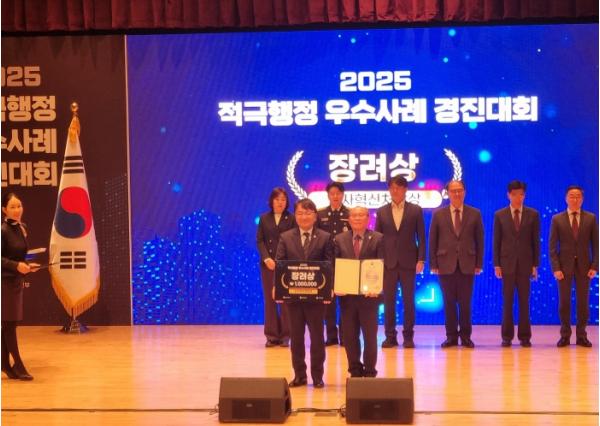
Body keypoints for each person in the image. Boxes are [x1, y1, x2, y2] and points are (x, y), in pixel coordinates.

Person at [275, 198, 333, 388]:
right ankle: (300, 375)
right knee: (296, 338)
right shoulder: (286, 237)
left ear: (315, 216)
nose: (304, 217)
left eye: (308, 213)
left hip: (316, 298)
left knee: (317, 338)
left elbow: (330, 265)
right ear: (295, 216)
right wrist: (277, 287)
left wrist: (328, 289)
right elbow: (280, 264)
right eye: (300, 213)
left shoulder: (325, 237)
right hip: (293, 297)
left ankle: (317, 376)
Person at [429, 180, 483, 349]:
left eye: (460, 190)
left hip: (468, 264)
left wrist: (479, 263)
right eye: (453, 191)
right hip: (445, 264)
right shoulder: (439, 214)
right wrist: (433, 263)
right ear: (448, 193)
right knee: (449, 302)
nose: (457, 194)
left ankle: (466, 336)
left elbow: (480, 241)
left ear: (464, 192)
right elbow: (433, 240)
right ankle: (451, 336)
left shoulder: (475, 213)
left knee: (465, 303)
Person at [375, 175, 425, 349]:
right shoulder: (381, 211)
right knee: (388, 301)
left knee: (408, 301)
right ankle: (390, 336)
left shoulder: (415, 210)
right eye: (392, 188)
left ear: (405, 190)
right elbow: (378, 238)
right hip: (388, 263)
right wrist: (378, 261)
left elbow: (421, 237)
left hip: (409, 262)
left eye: (398, 187)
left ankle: (408, 336)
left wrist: (421, 259)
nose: (395, 191)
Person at [334, 206, 384, 377]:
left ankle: (370, 371)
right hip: (347, 297)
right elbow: (334, 265)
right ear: (349, 219)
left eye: (361, 215)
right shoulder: (339, 239)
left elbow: (383, 266)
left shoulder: (378, 238)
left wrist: (378, 289)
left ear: (368, 218)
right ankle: (354, 370)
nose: (357, 218)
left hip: (369, 297)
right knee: (349, 336)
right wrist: (336, 285)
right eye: (354, 215)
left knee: (370, 337)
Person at [549, 185, 598, 348]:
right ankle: (565, 335)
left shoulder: (591, 218)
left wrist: (595, 266)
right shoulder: (557, 219)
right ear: (566, 198)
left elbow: (596, 245)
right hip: (563, 268)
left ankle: (582, 335)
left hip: (585, 268)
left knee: (583, 303)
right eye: (572, 196)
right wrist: (556, 268)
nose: (575, 199)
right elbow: (552, 247)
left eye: (578, 196)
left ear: (582, 199)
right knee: (564, 303)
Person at [493, 180, 540, 348]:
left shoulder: (533, 214)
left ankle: (525, 336)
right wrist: (497, 264)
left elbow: (535, 242)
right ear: (508, 195)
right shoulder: (500, 215)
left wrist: (535, 265)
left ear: (524, 195)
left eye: (521, 194)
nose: (517, 197)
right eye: (514, 194)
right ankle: (506, 337)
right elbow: (497, 241)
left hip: (526, 265)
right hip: (506, 264)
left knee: (524, 302)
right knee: (507, 302)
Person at [1, 192, 39, 380]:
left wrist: (27, 265)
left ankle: (5, 364)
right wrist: (16, 266)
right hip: (4, 282)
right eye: (13, 207)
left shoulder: (22, 227)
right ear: (4, 210)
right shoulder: (2, 230)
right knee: (9, 324)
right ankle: (18, 364)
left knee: (9, 323)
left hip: (15, 281)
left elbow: (18, 255)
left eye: (19, 206)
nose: (17, 210)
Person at [256, 187, 296, 347]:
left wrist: (284, 261)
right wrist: (266, 258)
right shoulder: (264, 218)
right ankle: (271, 335)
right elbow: (260, 241)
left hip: (285, 265)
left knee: (285, 301)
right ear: (271, 201)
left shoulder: (291, 218)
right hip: (268, 265)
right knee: (270, 300)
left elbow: (293, 241)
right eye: (277, 199)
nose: (280, 203)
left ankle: (286, 335)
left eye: (283, 200)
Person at [317, 181, 350, 346]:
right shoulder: (320, 214)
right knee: (328, 302)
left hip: (345, 263)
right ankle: (331, 336)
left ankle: (345, 336)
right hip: (326, 263)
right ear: (328, 195)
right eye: (332, 193)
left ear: (342, 195)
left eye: (338, 193)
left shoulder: (350, 214)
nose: (335, 196)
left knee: (345, 302)